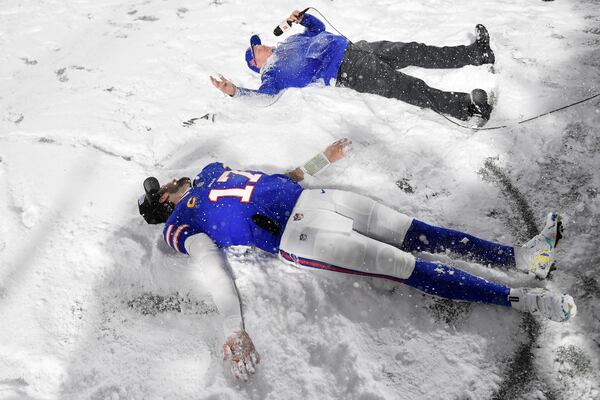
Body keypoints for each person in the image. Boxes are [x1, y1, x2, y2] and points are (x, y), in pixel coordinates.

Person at [137, 138, 576, 381]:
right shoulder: (181, 223)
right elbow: (212, 269)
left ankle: (523, 256)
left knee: (419, 232)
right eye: (164, 187)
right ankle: (520, 300)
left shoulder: (212, 175)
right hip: (303, 236)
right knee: (410, 267)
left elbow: (280, 178)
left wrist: (321, 159)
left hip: (320, 198)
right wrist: (234, 327)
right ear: (164, 200)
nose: (173, 178)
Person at [210, 10, 495, 125]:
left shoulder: (288, 42)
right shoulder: (271, 74)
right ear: (254, 62)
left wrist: (302, 20)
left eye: (258, 43)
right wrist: (235, 91)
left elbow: (318, 28)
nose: (260, 45)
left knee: (413, 49)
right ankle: (467, 108)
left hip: (357, 47)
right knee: (406, 87)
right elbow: (265, 98)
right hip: (347, 70)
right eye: (256, 48)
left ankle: (476, 54)